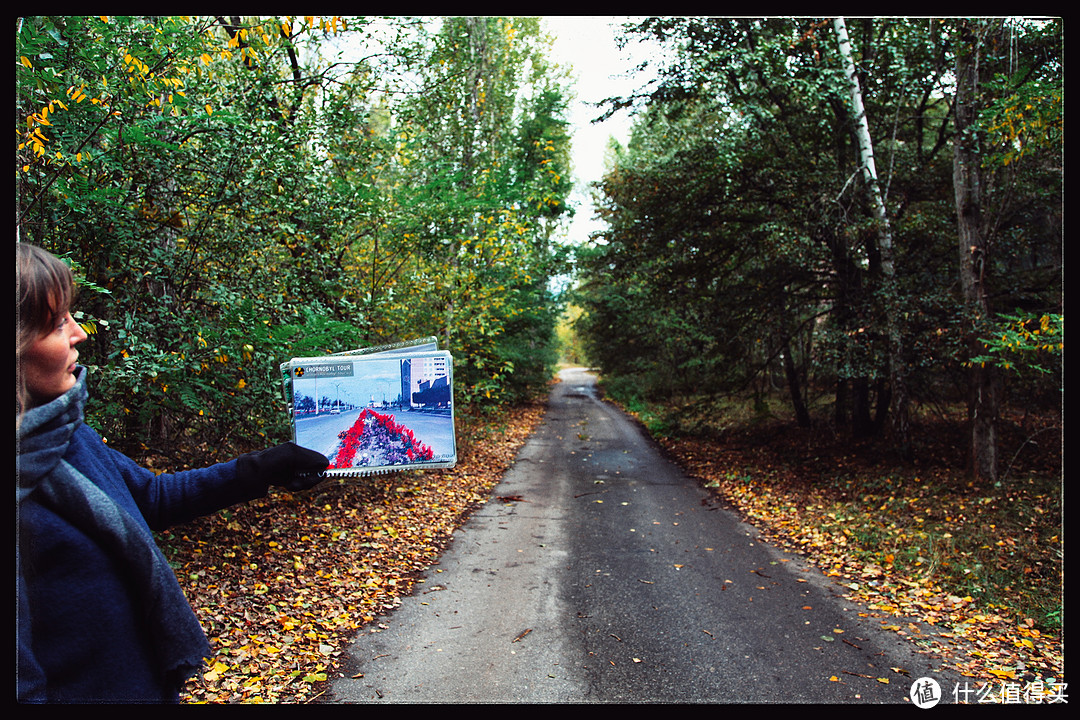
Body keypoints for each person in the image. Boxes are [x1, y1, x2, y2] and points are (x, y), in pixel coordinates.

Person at [16, 243, 330, 703]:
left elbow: (151, 497)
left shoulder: (62, 433)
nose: (80, 334)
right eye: (58, 322)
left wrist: (264, 468)